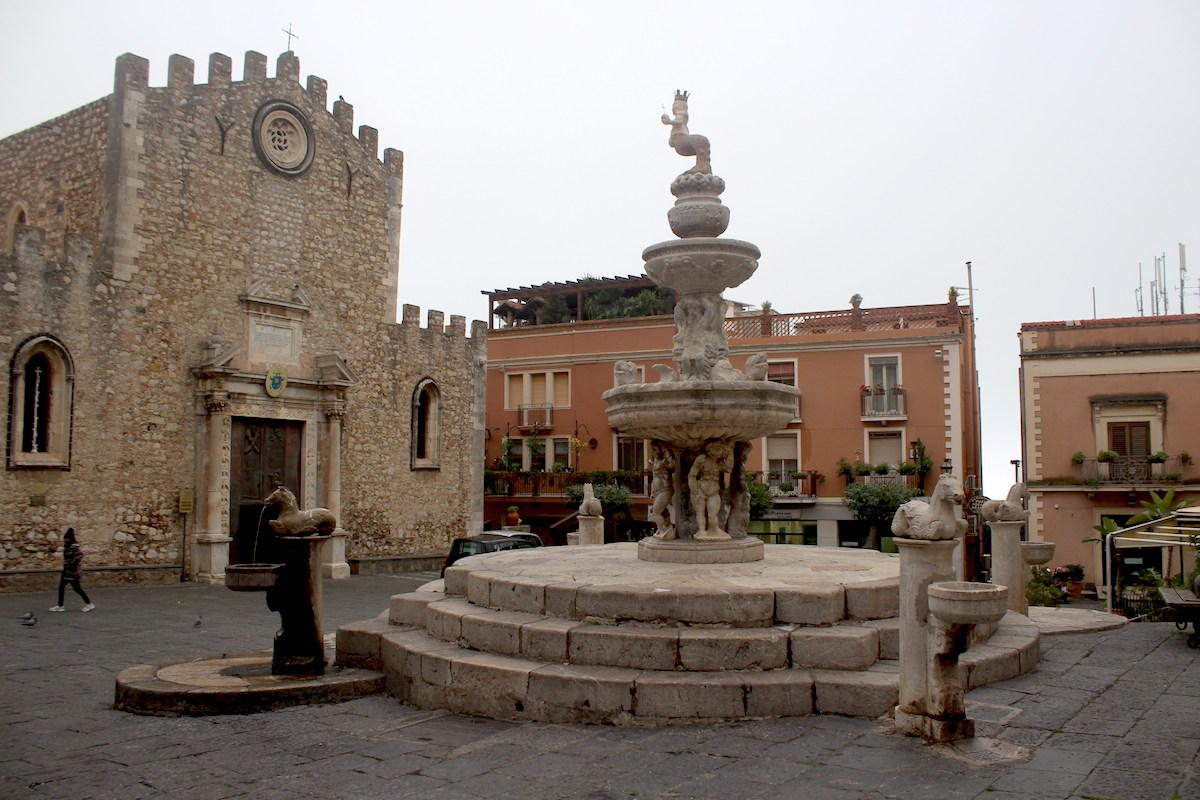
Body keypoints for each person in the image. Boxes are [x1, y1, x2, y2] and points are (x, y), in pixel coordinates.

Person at [49, 528, 94, 612]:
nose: (65, 540)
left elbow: (80, 555)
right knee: (61, 587)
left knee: (77, 588)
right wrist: (53, 550)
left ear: (70, 539)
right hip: (66, 571)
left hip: (73, 572)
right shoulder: (67, 546)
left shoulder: (74, 547)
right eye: (64, 539)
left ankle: (89, 604)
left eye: (66, 539)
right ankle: (60, 605)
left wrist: (72, 564)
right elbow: (61, 550)